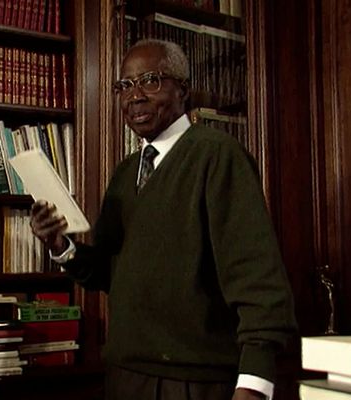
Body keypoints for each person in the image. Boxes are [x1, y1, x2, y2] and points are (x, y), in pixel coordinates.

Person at [29, 38, 298, 400]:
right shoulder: (126, 174)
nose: (134, 96)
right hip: (125, 376)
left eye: (150, 81)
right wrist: (60, 245)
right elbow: (110, 271)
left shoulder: (217, 156)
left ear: (183, 90)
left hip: (195, 381)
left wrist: (255, 384)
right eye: (124, 85)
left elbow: (257, 278)